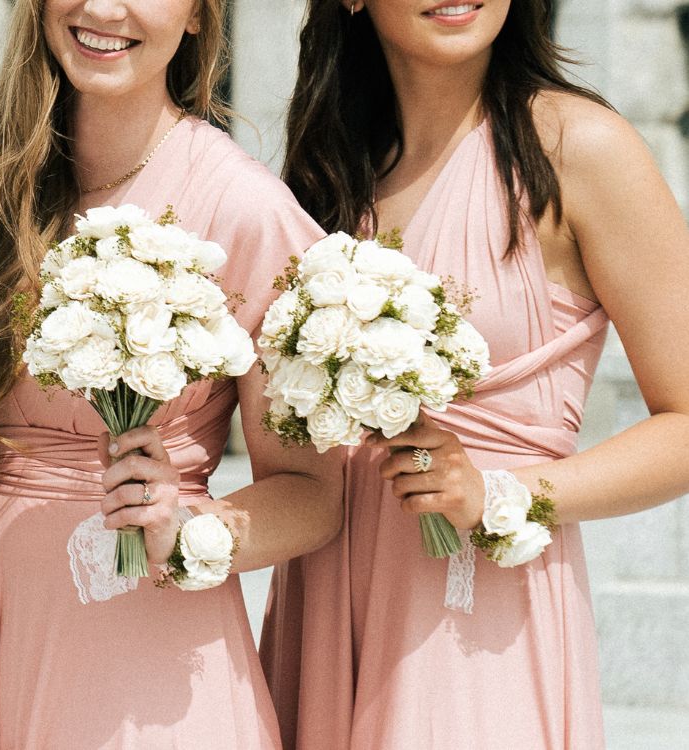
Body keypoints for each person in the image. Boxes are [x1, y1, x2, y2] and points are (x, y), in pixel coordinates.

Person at [260, 1, 689, 748]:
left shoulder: (579, 147)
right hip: (329, 596)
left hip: (479, 605)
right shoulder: (327, 169)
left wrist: (502, 493)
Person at [0, 1, 342, 747]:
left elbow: (315, 496)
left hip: (143, 654)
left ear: (198, 14)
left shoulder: (244, 208)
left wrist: (185, 533)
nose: (100, 8)